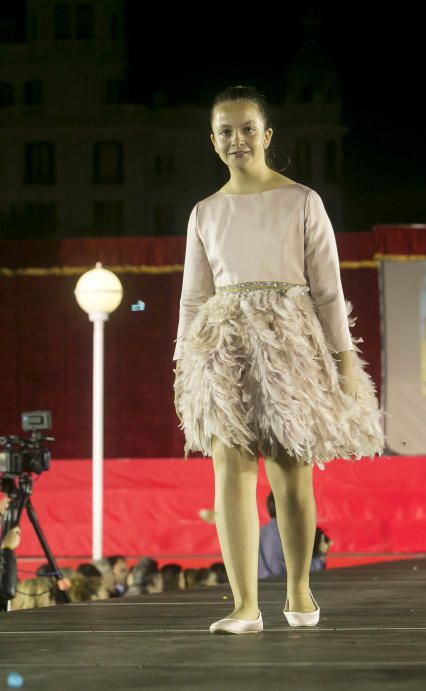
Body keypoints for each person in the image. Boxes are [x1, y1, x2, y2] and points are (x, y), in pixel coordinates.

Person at [172, 85, 383, 635]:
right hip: (222, 344)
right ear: (213, 141)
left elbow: (330, 290)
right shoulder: (205, 212)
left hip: (290, 339)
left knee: (291, 472)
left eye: (246, 128)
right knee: (230, 470)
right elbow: (193, 297)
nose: (236, 139)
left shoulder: (303, 201)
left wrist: (343, 362)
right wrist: (183, 365)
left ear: (266, 136)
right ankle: (244, 603)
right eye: (225, 131)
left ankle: (298, 591)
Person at [259, 491, 330, 578]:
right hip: (282, 588)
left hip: (259, 589)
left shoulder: (258, 533)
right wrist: (320, 555)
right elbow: (303, 574)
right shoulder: (291, 535)